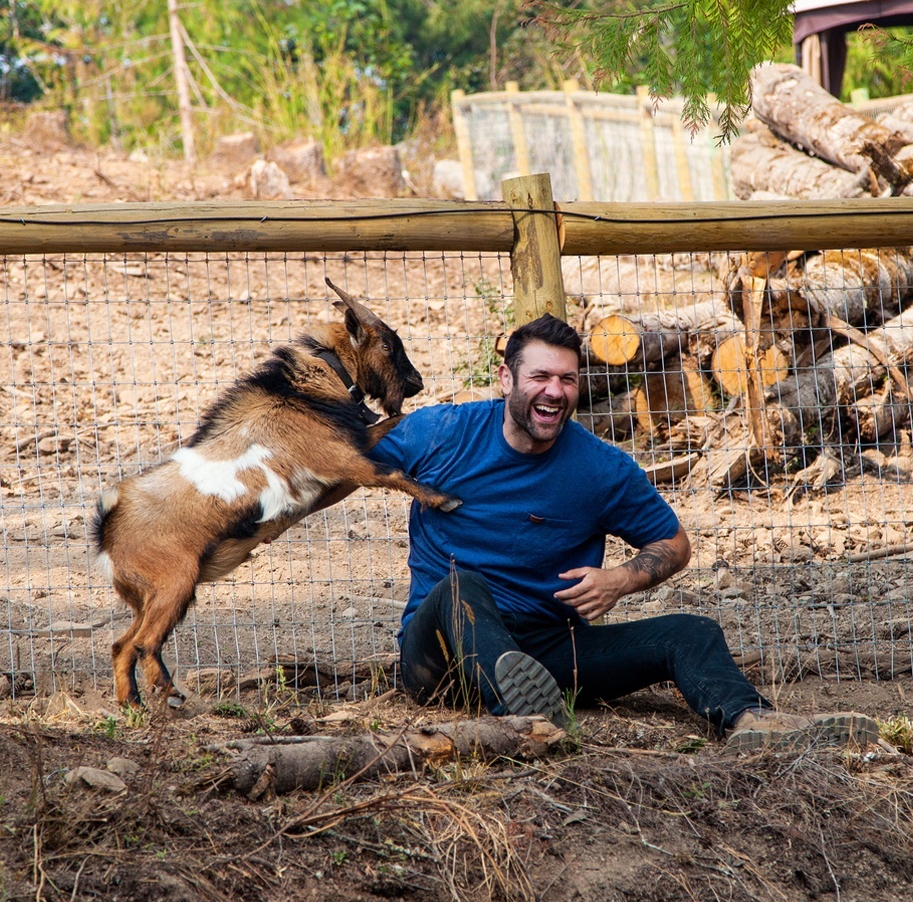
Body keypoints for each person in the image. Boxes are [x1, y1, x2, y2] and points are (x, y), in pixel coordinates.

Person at [367, 313, 877, 748]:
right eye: (541, 376)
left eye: (568, 380)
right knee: (462, 586)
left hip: (546, 653)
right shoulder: (441, 433)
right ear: (506, 379)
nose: (555, 392)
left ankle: (754, 722)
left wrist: (619, 580)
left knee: (690, 634)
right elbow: (344, 458)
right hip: (440, 655)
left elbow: (674, 545)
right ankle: (524, 722)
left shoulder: (599, 468)